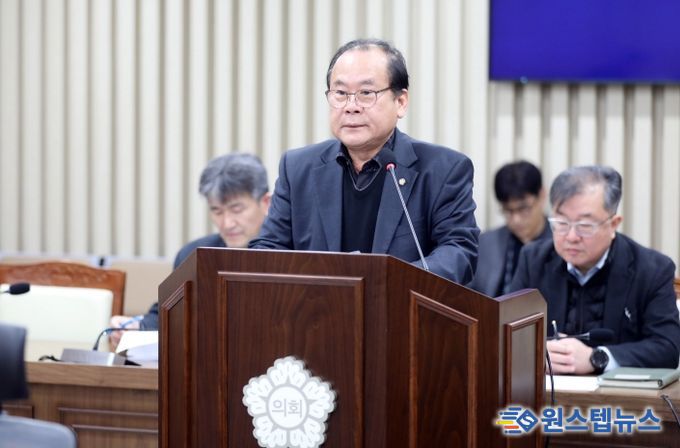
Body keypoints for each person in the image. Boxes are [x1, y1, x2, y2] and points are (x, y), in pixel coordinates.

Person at [249, 38, 479, 284]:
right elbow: (268, 249)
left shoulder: (443, 169)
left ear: (401, 102)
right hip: (317, 307)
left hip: (401, 306)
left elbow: (458, 252)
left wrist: (385, 282)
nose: (351, 107)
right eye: (340, 93)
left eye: (366, 93)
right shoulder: (297, 168)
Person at [510, 165, 680, 373]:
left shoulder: (652, 270)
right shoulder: (533, 260)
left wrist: (597, 358)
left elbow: (667, 349)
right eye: (561, 223)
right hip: (549, 390)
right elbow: (505, 334)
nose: (571, 236)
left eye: (584, 225)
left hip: (618, 392)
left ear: (613, 224)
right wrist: (535, 354)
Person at [109, 153, 270, 347]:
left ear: (266, 203)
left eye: (236, 209)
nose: (227, 223)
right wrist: (136, 327)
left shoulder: (292, 254)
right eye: (217, 211)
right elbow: (167, 314)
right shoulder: (194, 255)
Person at [467, 161, 552, 297]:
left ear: (542, 195)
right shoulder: (485, 244)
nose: (516, 220)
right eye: (508, 210)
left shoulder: (561, 242)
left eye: (523, 208)